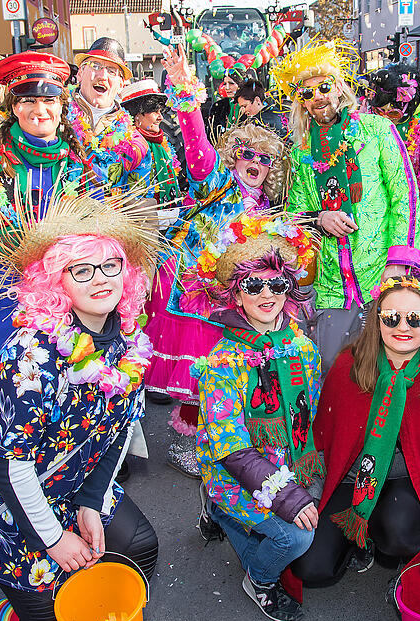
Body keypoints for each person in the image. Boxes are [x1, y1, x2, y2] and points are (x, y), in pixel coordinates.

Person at [0, 194, 160, 621]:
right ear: (57, 281)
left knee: (139, 548)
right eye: (82, 270)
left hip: (69, 484)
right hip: (7, 500)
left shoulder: (128, 343)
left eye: (110, 265)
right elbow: (9, 467)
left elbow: (117, 432)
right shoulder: (31, 357)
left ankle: (88, 613)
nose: (100, 280)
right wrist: (56, 541)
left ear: (127, 271)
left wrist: (91, 503)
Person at [290, 276, 420, 617]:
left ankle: (387, 544)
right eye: (391, 317)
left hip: (405, 484)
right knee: (310, 566)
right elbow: (322, 443)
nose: (402, 327)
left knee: (399, 537)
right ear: (376, 319)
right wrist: (310, 499)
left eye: (414, 318)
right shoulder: (349, 366)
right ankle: (356, 541)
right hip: (350, 481)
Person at [146, 46, 290, 476]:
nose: (255, 164)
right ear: (233, 158)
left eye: (265, 160)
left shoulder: (265, 203)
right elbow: (197, 149)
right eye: (247, 154)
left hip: (234, 292)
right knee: (197, 369)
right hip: (192, 286)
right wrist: (187, 91)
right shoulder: (217, 183)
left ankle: (225, 438)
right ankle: (186, 444)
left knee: (227, 370)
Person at [0, 52, 95, 407]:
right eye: (27, 100)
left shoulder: (82, 165)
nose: (39, 109)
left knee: (58, 422)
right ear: (13, 107)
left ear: (62, 106)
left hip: (65, 321)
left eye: (48, 100)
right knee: (2, 430)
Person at [189, 213, 322, 621]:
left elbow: (310, 413)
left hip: (289, 459)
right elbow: (230, 445)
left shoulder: (302, 346)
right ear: (236, 293)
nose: (268, 295)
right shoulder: (224, 360)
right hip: (236, 470)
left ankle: (217, 515)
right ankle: (260, 580)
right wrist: (287, 495)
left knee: (315, 525)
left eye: (277, 284)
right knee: (297, 537)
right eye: (254, 285)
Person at [274, 40, 420, 369]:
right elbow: (294, 214)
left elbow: (407, 197)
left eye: (324, 87)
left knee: (388, 373)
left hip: (382, 277)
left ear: (340, 88)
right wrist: (319, 217)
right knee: (333, 375)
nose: (317, 98)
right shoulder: (301, 150)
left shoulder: (377, 130)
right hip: (331, 288)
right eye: (306, 93)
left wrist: (398, 262)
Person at [0, 1, 151, 195]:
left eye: (112, 71)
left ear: (122, 83)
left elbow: (143, 204)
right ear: (79, 73)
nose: (102, 75)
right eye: (95, 66)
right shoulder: (49, 108)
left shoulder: (136, 144)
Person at [366, 64, 420, 269]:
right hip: (374, 217)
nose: (385, 118)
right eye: (380, 111)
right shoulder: (370, 124)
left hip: (415, 215)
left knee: (406, 278)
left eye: (393, 113)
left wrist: (402, 208)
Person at [120, 79, 181, 204]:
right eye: (155, 112)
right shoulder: (127, 146)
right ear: (137, 115)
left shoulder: (160, 145)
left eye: (160, 112)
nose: (161, 117)